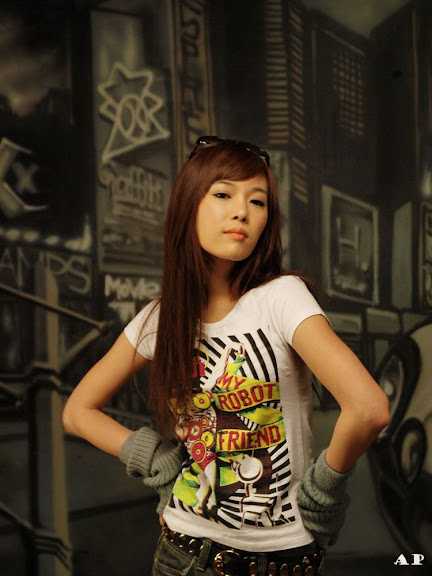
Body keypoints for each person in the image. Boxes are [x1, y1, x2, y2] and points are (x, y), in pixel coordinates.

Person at [62, 136, 390, 576]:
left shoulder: (281, 297)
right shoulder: (162, 317)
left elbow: (369, 408)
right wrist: (154, 459)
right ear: (189, 206)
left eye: (258, 201)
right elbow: (77, 412)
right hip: (182, 554)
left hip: (283, 560)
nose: (242, 212)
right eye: (223, 194)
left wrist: (325, 489)